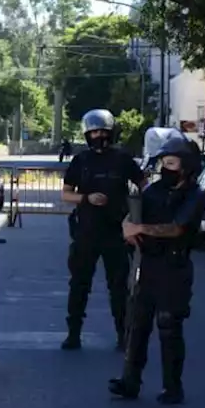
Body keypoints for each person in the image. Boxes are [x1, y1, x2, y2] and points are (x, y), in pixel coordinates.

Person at [109, 137, 205, 404]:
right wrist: (127, 226)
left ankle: (172, 387)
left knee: (168, 326)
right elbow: (133, 215)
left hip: (174, 267)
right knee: (137, 324)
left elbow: (177, 228)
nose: (166, 168)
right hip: (148, 262)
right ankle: (130, 382)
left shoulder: (197, 196)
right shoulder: (154, 191)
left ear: (186, 166)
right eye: (164, 163)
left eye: (172, 163)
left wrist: (140, 229)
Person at [60, 109, 147, 351]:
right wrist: (87, 198)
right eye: (94, 132)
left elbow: (144, 185)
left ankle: (123, 334)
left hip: (116, 232)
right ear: (87, 135)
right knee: (79, 284)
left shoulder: (122, 159)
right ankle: (73, 333)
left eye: (103, 132)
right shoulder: (81, 161)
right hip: (86, 231)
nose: (99, 136)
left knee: (119, 287)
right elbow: (66, 193)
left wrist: (138, 212)